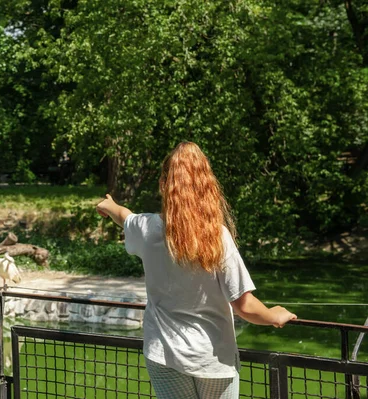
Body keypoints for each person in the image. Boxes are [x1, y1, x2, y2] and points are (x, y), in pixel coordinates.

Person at [95, 141, 297, 399]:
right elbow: (244, 306)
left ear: (163, 185)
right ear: (206, 187)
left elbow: (124, 215)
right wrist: (272, 315)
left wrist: (108, 206)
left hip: (163, 355)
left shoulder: (148, 229)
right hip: (212, 361)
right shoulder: (217, 237)